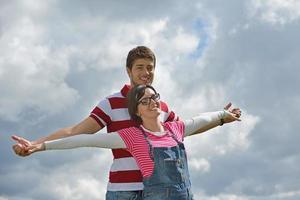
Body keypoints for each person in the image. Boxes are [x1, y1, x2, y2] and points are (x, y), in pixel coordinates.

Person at [12, 84, 241, 200]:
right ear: (137, 111)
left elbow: (202, 120)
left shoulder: (176, 128)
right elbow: (82, 140)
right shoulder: (131, 137)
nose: (153, 102)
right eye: (145, 100)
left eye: (155, 97)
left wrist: (223, 115)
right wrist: (40, 145)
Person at [12, 46, 179, 200]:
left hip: (159, 189)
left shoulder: (161, 107)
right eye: (140, 67)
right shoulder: (111, 103)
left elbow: (185, 129)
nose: (146, 72)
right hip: (123, 191)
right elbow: (76, 131)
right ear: (129, 71)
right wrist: (35, 144)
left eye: (150, 67)